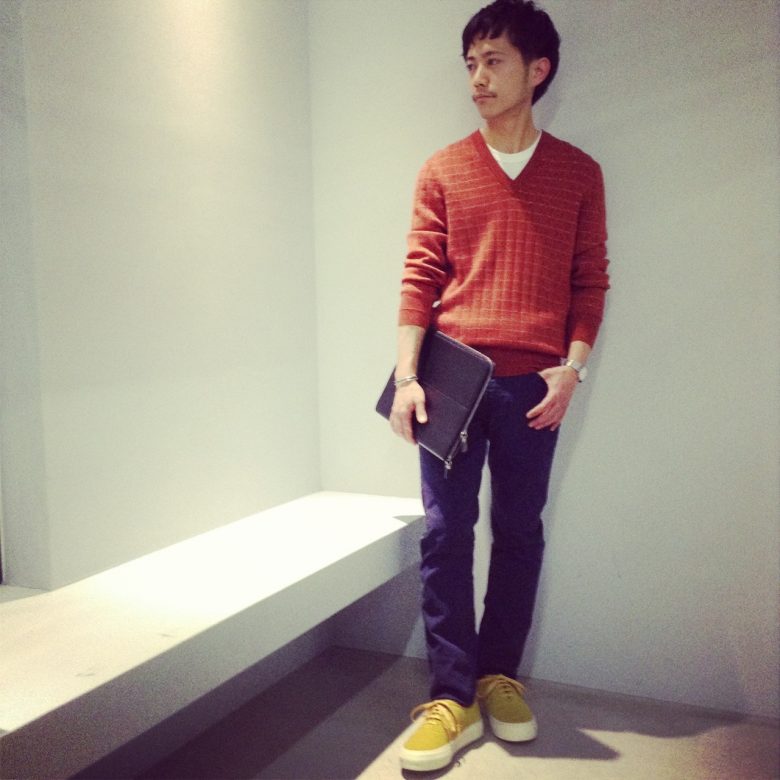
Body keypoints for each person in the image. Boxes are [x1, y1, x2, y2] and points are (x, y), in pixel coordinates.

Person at [388, 0, 610, 772]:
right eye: (470, 63)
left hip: (533, 389)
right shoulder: (443, 168)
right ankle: (452, 696)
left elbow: (590, 281)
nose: (477, 78)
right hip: (449, 380)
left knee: (518, 533)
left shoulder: (578, 172)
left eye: (494, 62)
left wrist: (573, 370)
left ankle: (498, 677)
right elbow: (419, 277)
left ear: (537, 70)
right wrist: (407, 378)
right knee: (445, 533)